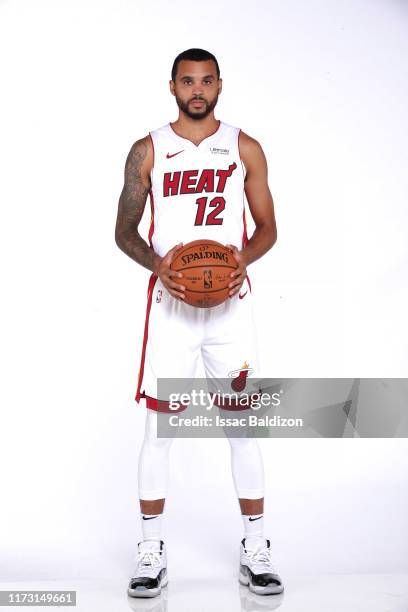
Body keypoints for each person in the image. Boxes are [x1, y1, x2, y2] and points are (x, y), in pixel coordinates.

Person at [115, 48, 283, 598]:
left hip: (231, 307)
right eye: (187, 81)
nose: (197, 89)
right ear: (172, 86)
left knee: (243, 426)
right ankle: (150, 550)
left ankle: (254, 548)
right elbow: (124, 231)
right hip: (172, 308)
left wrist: (242, 259)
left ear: (218, 85)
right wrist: (157, 264)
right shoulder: (147, 150)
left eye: (206, 81)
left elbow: (266, 228)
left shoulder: (244, 146)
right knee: (159, 430)